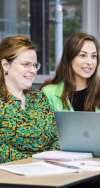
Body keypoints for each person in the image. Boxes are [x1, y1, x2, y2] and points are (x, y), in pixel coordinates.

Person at [41, 32, 100, 134]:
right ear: (69, 59)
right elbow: (46, 135)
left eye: (94, 56)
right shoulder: (49, 92)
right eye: (83, 55)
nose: (90, 62)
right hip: (63, 150)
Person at [0, 35, 59, 163]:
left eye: (34, 65)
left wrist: (50, 162)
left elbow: (56, 137)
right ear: (5, 65)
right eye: (26, 64)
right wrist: (34, 162)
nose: (33, 70)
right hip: (10, 177)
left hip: (49, 170)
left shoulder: (39, 98)